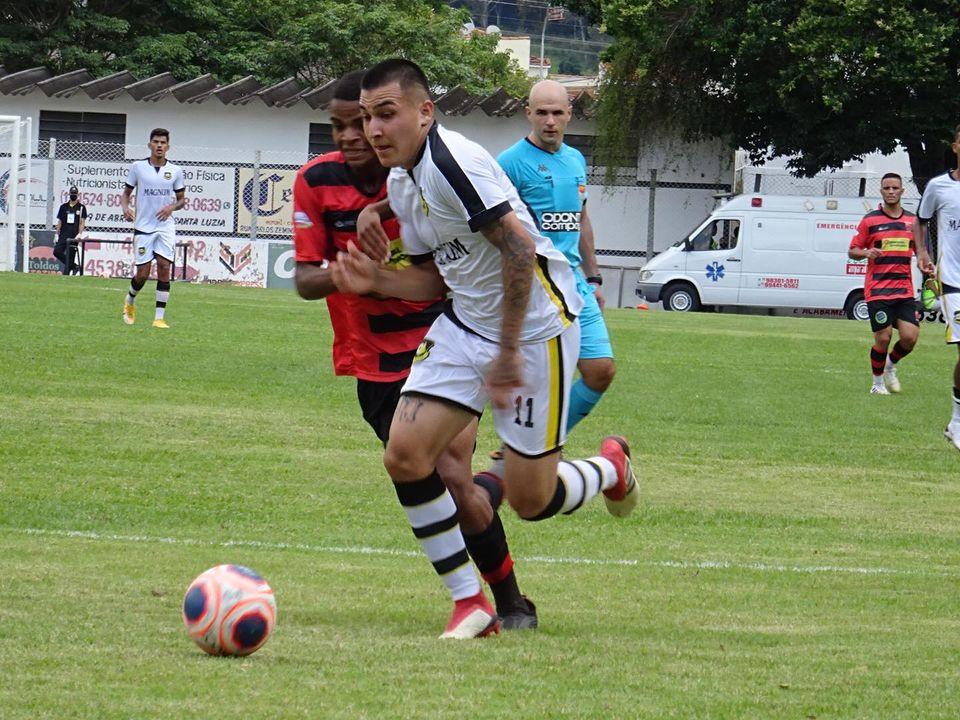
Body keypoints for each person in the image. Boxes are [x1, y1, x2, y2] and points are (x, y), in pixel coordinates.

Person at [338, 59, 639, 639]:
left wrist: (504, 353)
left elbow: (520, 250)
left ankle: (609, 469)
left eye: (386, 114)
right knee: (404, 455)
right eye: (367, 117)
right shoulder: (404, 180)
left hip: (534, 332)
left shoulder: (456, 165)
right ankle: (469, 604)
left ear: (425, 113)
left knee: (531, 500)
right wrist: (375, 281)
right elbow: (433, 282)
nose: (373, 130)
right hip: (465, 324)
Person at [291, 71, 536, 634]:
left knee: (451, 473)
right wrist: (346, 275)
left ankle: (504, 601)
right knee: (429, 471)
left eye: (369, 119)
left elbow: (457, 274)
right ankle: (487, 585)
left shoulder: (426, 176)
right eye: (342, 124)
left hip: (440, 335)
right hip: (372, 356)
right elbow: (305, 279)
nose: (357, 134)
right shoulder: (317, 181)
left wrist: (386, 271)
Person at [497, 80, 615, 436]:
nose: (550, 121)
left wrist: (593, 279)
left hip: (575, 282)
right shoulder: (509, 164)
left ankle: (547, 438)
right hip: (535, 284)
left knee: (600, 370)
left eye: (557, 113)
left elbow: (580, 217)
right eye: (542, 113)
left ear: (569, 115)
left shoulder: (575, 159)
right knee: (536, 379)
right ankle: (525, 450)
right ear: (528, 113)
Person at [849, 173, 933, 395]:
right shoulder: (870, 220)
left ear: (902, 191)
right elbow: (853, 250)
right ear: (881, 191)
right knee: (884, 337)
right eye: (887, 188)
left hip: (903, 290)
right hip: (877, 290)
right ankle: (877, 384)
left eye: (895, 188)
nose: (891, 191)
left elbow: (921, 252)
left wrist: (927, 265)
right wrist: (867, 252)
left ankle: (890, 364)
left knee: (909, 338)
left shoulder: (912, 222)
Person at [916, 123, 960, 451]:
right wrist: (922, 252)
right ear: (955, 147)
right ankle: (957, 423)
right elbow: (921, 220)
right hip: (953, 280)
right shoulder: (939, 187)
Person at [120, 128, 185, 329]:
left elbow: (182, 201)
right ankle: (130, 302)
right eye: (155, 142)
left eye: (162, 143)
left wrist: (171, 207)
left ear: (168, 147)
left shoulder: (175, 171)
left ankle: (159, 318)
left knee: (165, 267)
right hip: (143, 226)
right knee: (143, 273)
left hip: (165, 227)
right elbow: (126, 194)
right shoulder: (138, 167)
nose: (159, 145)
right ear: (149, 145)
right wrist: (126, 207)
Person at [53, 186, 87, 275]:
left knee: (70, 256)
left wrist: (80, 233)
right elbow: (60, 221)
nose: (73, 195)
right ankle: (74, 266)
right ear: (69, 194)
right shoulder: (63, 207)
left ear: (78, 194)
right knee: (57, 251)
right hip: (64, 234)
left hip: (74, 235)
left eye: (75, 194)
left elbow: (82, 222)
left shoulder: (81, 207)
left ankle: (69, 270)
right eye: (72, 193)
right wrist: (57, 233)